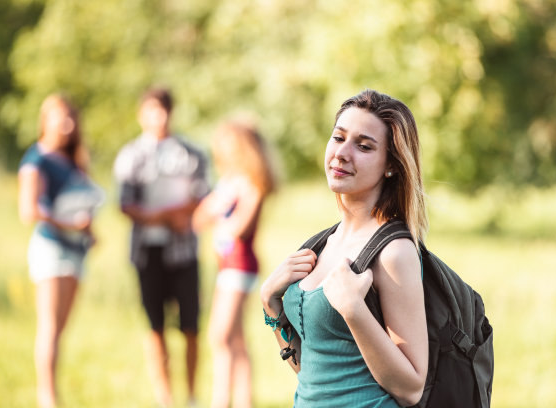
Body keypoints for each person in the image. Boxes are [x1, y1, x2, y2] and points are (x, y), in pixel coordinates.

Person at [260, 89, 429, 407]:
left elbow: (411, 389)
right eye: (338, 138)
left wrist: (353, 309)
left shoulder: (394, 252)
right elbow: (310, 371)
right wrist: (272, 305)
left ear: (390, 165)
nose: (342, 153)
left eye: (364, 146)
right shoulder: (320, 245)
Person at [113, 88, 208, 407]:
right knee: (155, 327)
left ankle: (192, 395)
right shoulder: (130, 155)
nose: (160, 117)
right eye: (153, 110)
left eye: (165, 109)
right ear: (142, 114)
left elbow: (202, 196)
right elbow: (125, 204)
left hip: (184, 252)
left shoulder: (191, 152)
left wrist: (164, 216)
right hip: (147, 254)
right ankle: (165, 398)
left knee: (191, 325)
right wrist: (166, 216)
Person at [18, 94, 104, 408]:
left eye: (71, 117)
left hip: (76, 253)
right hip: (51, 250)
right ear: (46, 119)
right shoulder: (36, 160)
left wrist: (89, 232)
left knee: (60, 331)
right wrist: (70, 224)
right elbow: (29, 211)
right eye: (60, 117)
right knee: (50, 328)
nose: (66, 124)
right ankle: (48, 400)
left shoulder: (71, 160)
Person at [192, 119, 276, 408]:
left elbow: (241, 227)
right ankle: (243, 402)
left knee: (220, 335)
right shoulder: (228, 182)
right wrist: (216, 208)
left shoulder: (253, 183)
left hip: (241, 266)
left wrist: (221, 211)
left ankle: (221, 401)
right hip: (226, 266)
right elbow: (199, 218)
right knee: (236, 340)